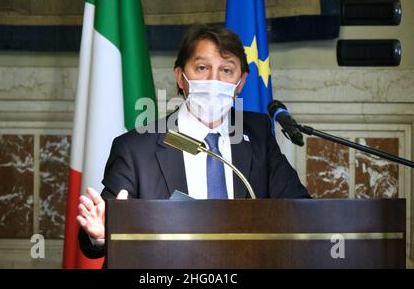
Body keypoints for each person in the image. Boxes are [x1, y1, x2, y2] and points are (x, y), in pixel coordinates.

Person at [77, 24, 311, 259]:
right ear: (180, 76)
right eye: (202, 68)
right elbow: (97, 236)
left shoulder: (258, 135)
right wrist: (99, 236)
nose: (213, 80)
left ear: (241, 83)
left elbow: (300, 210)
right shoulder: (136, 147)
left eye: (227, 70)